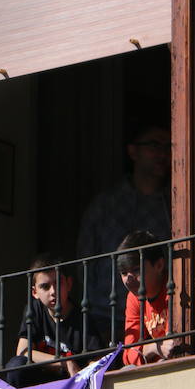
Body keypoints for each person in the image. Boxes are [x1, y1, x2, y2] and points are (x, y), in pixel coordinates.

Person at [75, 122, 173, 337]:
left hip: (158, 316)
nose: (162, 153)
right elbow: (85, 260)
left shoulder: (174, 205)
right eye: (154, 145)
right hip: (105, 317)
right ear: (133, 151)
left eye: (168, 146)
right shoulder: (106, 205)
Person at [4, 254, 101, 387]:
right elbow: (23, 351)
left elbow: (96, 362)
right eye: (45, 286)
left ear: (69, 284)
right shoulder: (34, 309)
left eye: (58, 283)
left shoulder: (83, 318)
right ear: (35, 292)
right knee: (16, 365)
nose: (53, 291)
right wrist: (65, 362)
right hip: (41, 383)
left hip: (71, 385)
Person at [117, 229, 186, 366]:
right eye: (124, 273)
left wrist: (148, 350)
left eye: (136, 270)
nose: (128, 280)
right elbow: (128, 355)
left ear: (159, 265)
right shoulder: (133, 298)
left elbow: (172, 345)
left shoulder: (174, 287)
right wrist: (155, 346)